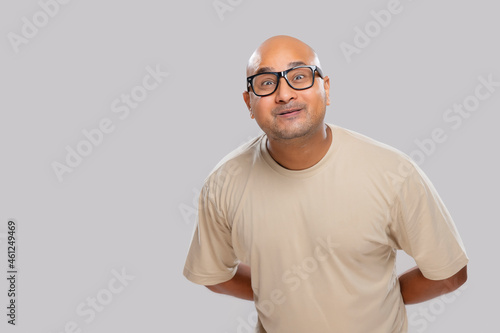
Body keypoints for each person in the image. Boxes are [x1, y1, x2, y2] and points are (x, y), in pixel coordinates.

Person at [182, 35, 468, 333]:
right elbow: (214, 275)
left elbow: (449, 275)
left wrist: (382, 299)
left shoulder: (394, 173)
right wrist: (278, 294)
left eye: (299, 77)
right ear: (248, 102)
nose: (284, 94)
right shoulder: (222, 184)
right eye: (266, 83)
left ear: (326, 89)